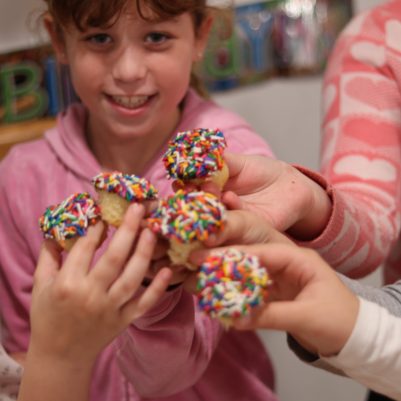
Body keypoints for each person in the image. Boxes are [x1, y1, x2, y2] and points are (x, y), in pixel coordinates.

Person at [0, 1, 279, 400]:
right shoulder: (19, 179)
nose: (128, 71)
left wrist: (155, 283)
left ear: (201, 35)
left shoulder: (230, 166)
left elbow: (167, 377)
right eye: (99, 38)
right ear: (59, 39)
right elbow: (25, 353)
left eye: (156, 37)